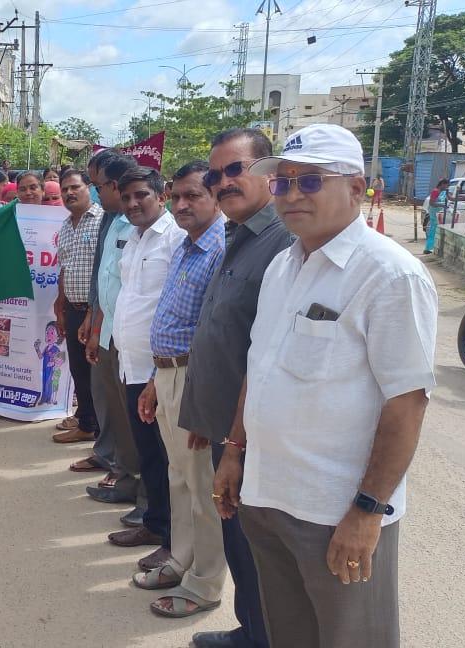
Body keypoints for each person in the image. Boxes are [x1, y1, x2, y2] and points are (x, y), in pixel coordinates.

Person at [215, 123, 437, 648]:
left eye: (310, 181)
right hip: (268, 495)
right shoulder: (282, 266)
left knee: (351, 639)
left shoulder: (388, 275)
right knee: (289, 634)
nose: (292, 195)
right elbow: (260, 365)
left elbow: (406, 403)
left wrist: (367, 511)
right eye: (283, 183)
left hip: (334, 510)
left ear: (357, 189)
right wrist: (234, 451)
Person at [179, 127, 293, 648]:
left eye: (234, 170)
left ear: (266, 173)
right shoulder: (239, 235)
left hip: (248, 435)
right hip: (223, 425)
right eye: (215, 175)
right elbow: (221, 333)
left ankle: (264, 637)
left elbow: (263, 355)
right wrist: (205, 419)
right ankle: (253, 631)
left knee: (255, 548)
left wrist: (235, 442)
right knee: (238, 541)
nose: (224, 183)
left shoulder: (281, 244)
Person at [132, 161, 227, 619]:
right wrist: (154, 379)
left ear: (216, 198)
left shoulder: (222, 248)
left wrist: (201, 396)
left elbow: (217, 334)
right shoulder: (187, 247)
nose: (182, 204)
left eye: (193, 196)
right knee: (179, 478)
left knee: (203, 484)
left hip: (196, 378)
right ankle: (181, 560)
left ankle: (205, 583)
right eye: (176, 196)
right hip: (167, 374)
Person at [105, 167, 186, 554]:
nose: (133, 204)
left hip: (159, 371)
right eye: (127, 198)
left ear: (161, 195)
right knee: (149, 454)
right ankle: (154, 526)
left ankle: (174, 539)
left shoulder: (176, 239)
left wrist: (156, 375)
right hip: (130, 364)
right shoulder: (133, 238)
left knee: (171, 459)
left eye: (142, 195)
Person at [81, 153, 150, 541]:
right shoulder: (114, 222)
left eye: (98, 185)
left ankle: (145, 497)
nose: (95, 192)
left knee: (136, 421)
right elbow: (106, 278)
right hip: (110, 333)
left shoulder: (148, 226)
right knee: (119, 414)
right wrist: (96, 322)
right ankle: (125, 478)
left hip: (134, 342)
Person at [51, 168, 104, 445]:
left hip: (96, 311)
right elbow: (64, 267)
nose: (69, 193)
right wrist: (60, 305)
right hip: (72, 309)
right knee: (78, 372)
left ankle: (101, 432)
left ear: (89, 188)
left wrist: (93, 313)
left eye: (75, 187)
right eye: (64, 190)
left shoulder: (102, 221)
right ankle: (86, 422)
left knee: (99, 374)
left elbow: (106, 270)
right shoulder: (65, 226)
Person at [423, 178, 448, 255]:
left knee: (438, 230)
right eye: (446, 185)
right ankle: (428, 248)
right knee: (433, 230)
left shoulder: (444, 192)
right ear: (442, 184)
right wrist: (442, 205)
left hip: (440, 213)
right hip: (434, 212)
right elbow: (431, 203)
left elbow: (451, 198)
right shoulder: (435, 191)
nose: (446, 187)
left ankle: (434, 247)